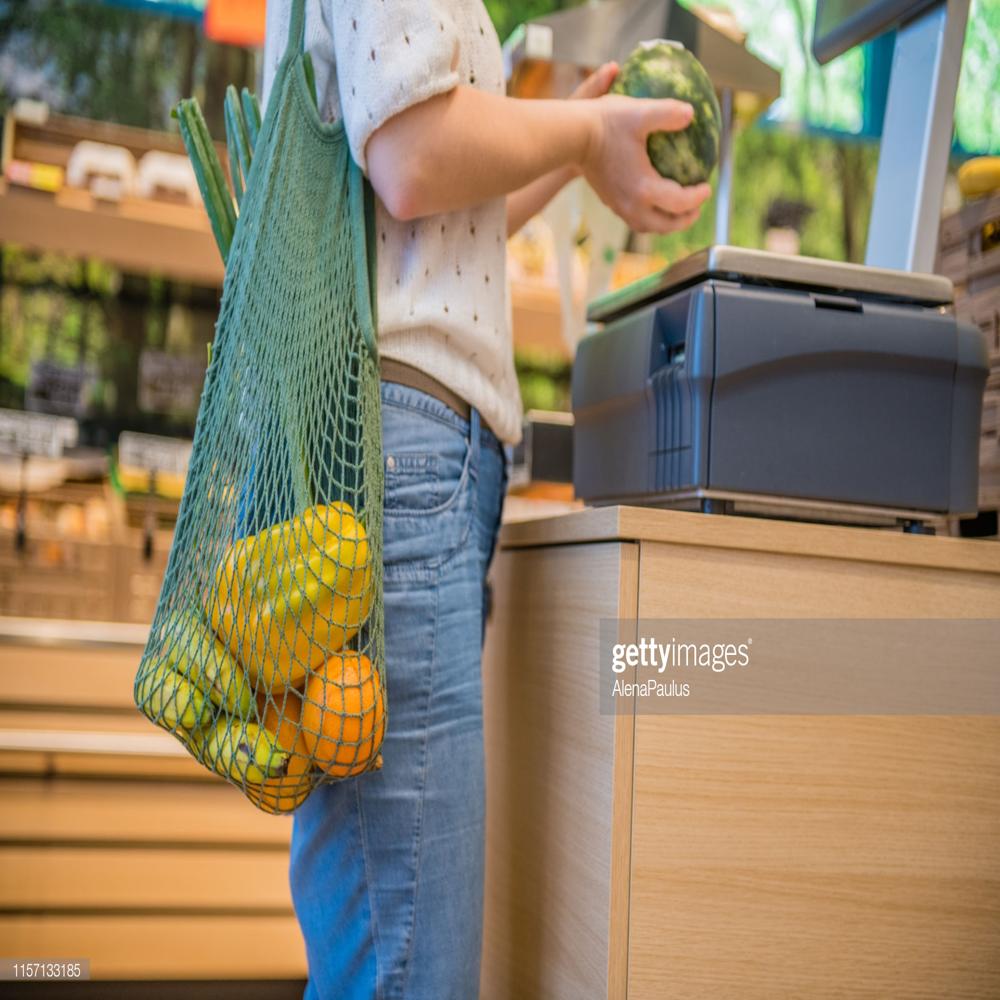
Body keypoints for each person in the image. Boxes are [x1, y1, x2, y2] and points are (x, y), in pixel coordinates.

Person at [262, 3, 711, 997]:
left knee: (385, 927)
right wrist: (587, 133)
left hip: (402, 454)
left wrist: (569, 150)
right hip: (405, 453)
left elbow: (433, 213)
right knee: (409, 959)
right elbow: (415, 158)